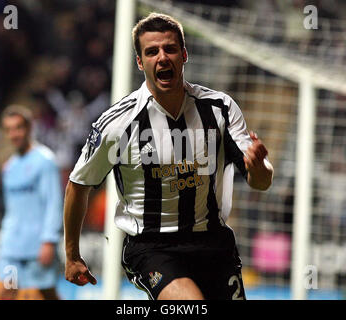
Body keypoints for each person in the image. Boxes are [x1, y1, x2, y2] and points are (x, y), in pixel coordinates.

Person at [64, 13, 273, 300]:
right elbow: (79, 184)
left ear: (184, 55)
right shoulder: (118, 123)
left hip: (213, 243)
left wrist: (259, 167)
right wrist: (72, 255)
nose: (162, 57)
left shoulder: (219, 109)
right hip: (152, 247)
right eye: (151, 51)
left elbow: (260, 182)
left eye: (170, 49)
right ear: (140, 62)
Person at [0, 105, 63, 300]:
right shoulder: (9, 166)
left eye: (18, 127)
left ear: (29, 128)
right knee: (7, 293)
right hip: (12, 248)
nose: (13, 134)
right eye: (8, 129)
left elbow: (53, 203)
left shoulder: (45, 161)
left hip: (37, 245)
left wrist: (49, 240)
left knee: (46, 293)